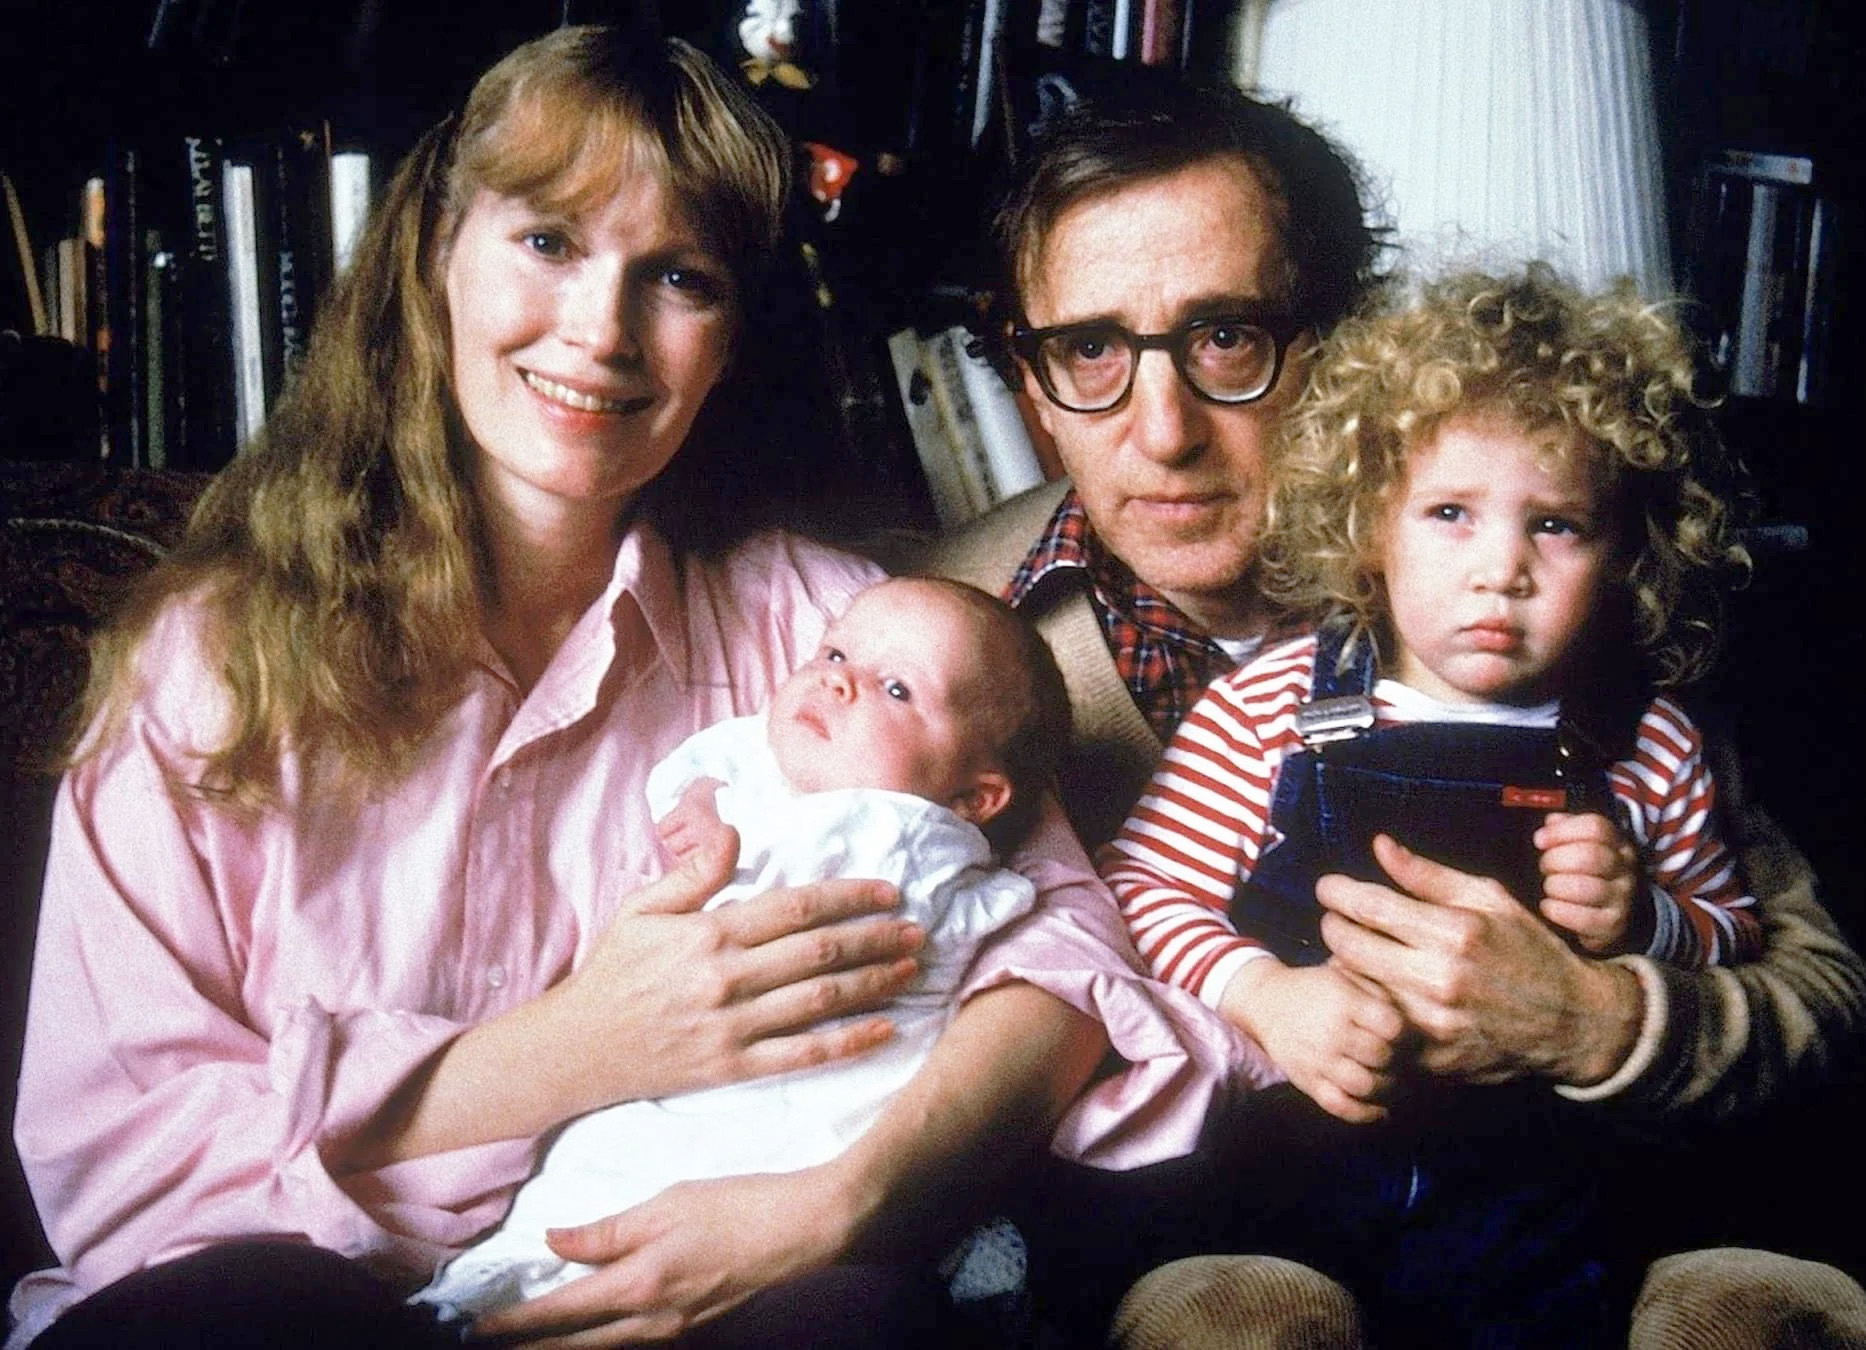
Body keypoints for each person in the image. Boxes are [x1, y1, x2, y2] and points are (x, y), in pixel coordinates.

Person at [7, 28, 1250, 1350]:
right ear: (439, 256)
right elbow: (128, 1172)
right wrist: (587, 1044)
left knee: (854, 1318)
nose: (600, 333)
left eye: (677, 277)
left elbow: (1069, 953)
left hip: (681, 1308)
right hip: (292, 1307)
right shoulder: (215, 662)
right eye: (548, 241)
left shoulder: (823, 627)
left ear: (730, 339)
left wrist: (842, 1201)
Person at [920, 75, 1866, 1347]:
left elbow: (1817, 997)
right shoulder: (924, 638)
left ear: (1340, 343)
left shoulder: (1576, 638)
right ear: (1030, 382)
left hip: (1561, 1223)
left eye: (1225, 336)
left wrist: (1598, 1014)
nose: (1164, 430)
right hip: (1255, 1229)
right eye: (1091, 348)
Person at [1100, 266, 1764, 1342]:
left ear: (1625, 556)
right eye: (1451, 513)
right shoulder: (1273, 705)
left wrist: (1648, 921)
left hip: (1556, 1217)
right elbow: (1137, 891)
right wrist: (1265, 994)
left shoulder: (1651, 742)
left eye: (1557, 525)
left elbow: (1735, 932)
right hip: (1299, 1199)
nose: (1502, 568)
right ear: (1372, 524)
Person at [413, 576, 1070, 1319]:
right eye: (834, 653)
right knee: (606, 1180)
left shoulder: (932, 841)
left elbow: (1052, 933)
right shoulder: (759, 762)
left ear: (975, 799)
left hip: (840, 1121)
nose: (838, 681)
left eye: (896, 689)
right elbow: (704, 768)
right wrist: (701, 806)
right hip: (686, 1080)